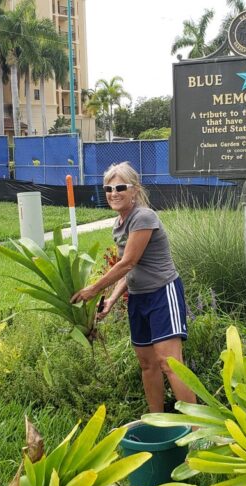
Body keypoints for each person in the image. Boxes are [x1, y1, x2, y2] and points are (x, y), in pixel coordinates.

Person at [70, 162, 197, 413]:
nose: (113, 193)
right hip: (139, 298)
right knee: (148, 364)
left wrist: (93, 289)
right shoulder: (119, 223)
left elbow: (128, 262)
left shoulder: (144, 217)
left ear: (135, 190)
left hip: (163, 293)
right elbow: (129, 271)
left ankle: (197, 430)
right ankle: (157, 422)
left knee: (170, 363)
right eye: (108, 188)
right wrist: (112, 299)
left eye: (120, 187)